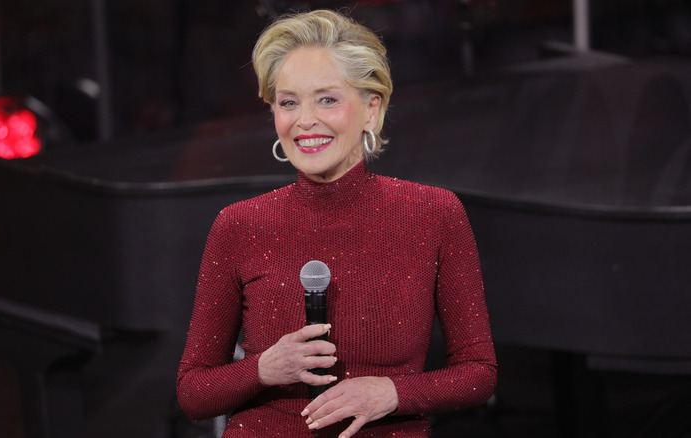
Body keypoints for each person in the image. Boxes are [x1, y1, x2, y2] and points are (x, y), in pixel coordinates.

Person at [177, 9, 497, 437]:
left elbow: (478, 372)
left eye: (327, 99)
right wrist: (262, 369)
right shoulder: (239, 225)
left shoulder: (434, 214)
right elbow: (193, 392)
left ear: (371, 108)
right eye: (289, 102)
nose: (305, 120)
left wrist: (392, 393)